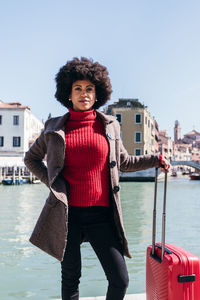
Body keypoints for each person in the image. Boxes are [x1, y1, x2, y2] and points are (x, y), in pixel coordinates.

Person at [24, 57, 170, 300]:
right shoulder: (53, 128)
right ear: (68, 94)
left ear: (97, 93)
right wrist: (54, 183)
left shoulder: (109, 125)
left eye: (89, 89)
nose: (84, 94)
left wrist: (155, 159)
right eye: (78, 89)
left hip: (102, 215)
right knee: (71, 279)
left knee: (120, 279)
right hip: (68, 215)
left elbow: (124, 162)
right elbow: (31, 159)